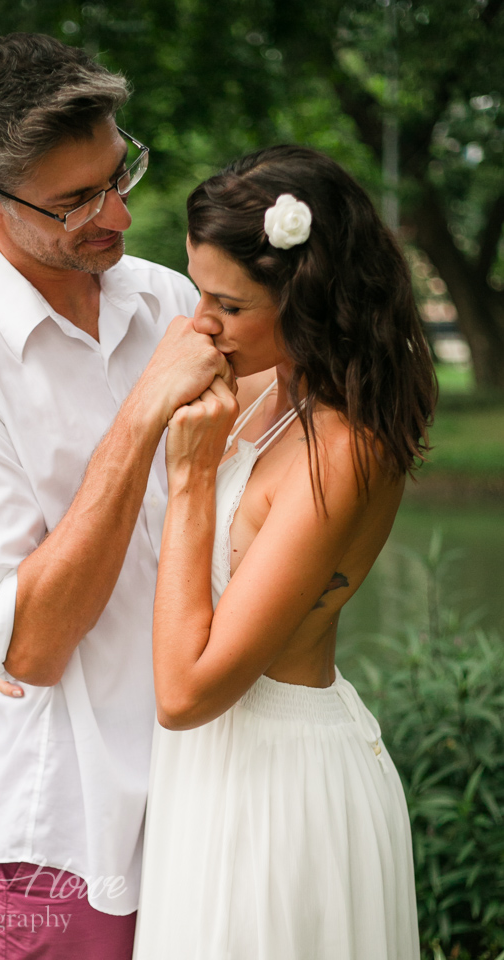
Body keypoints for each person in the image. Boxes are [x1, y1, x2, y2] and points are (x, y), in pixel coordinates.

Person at [0, 32, 233, 960]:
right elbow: (30, 644)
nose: (117, 215)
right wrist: (142, 416)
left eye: (122, 174)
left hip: (229, 799)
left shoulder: (174, 302)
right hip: (69, 834)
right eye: (77, 201)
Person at [131, 146, 435, 959]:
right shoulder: (263, 391)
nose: (199, 322)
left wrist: (191, 479)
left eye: (226, 304)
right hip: (207, 782)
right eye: (197, 290)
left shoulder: (341, 448)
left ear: (306, 300)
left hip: (281, 793)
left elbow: (187, 693)